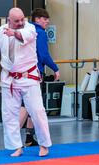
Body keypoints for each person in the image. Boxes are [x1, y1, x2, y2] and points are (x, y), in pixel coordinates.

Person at [0, 8, 52, 157]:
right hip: (9, 78)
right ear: (9, 20)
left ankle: (44, 144)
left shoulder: (29, 28)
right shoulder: (0, 31)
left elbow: (25, 37)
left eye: (22, 19)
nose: (20, 22)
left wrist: (15, 33)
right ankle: (16, 146)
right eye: (16, 21)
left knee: (37, 111)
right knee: (9, 114)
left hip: (28, 77)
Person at [20, 8, 60, 147]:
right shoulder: (40, 33)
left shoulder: (26, 30)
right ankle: (13, 138)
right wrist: (55, 68)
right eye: (44, 19)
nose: (47, 21)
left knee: (32, 106)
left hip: (23, 71)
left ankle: (29, 138)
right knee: (27, 106)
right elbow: (43, 55)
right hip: (35, 73)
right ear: (37, 19)